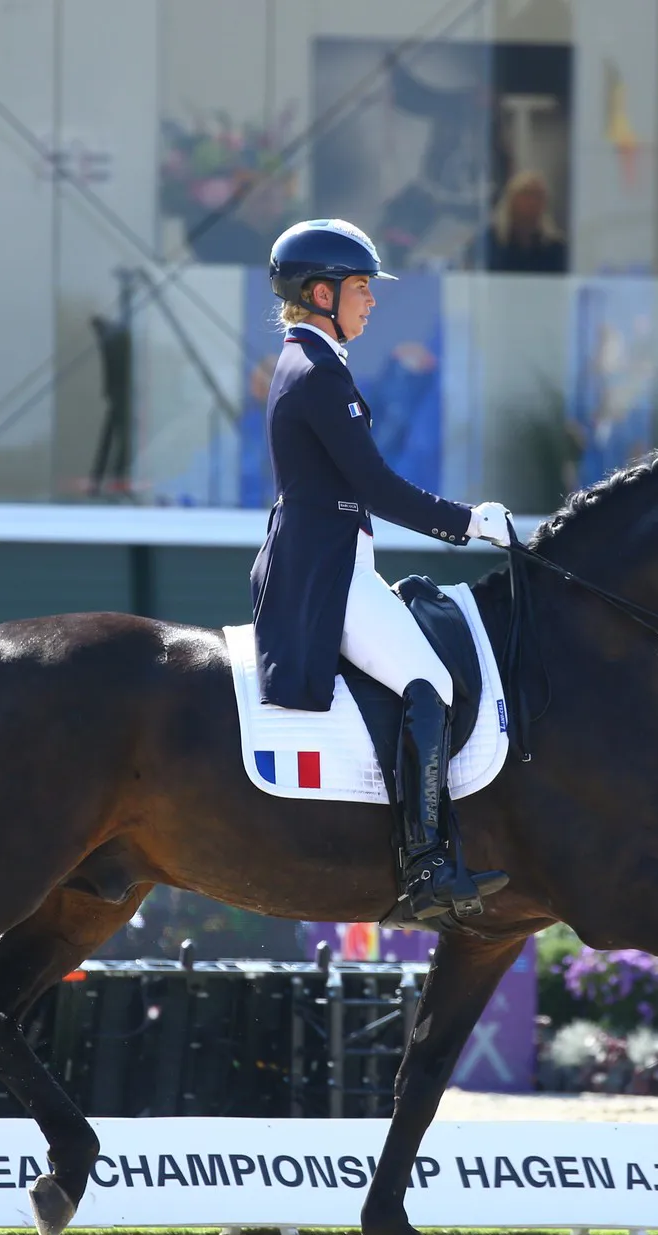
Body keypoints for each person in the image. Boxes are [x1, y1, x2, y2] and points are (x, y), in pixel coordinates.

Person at [252, 218, 512, 923]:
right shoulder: (315, 373)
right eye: (361, 288)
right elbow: (376, 485)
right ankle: (425, 864)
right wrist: (468, 523)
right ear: (321, 292)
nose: (372, 301)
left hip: (336, 560)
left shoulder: (318, 363)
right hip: (327, 573)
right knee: (428, 683)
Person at [476, 170, 567, 273]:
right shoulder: (489, 242)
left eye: (538, 196)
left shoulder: (555, 248)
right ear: (512, 199)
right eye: (527, 194)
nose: (532, 202)